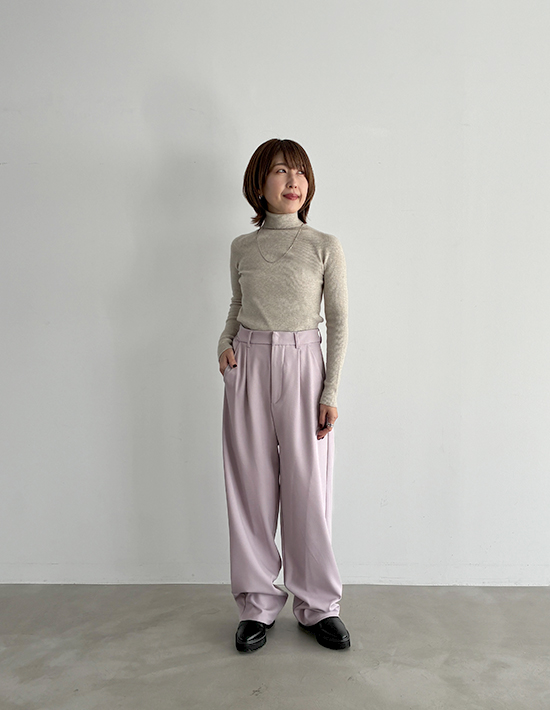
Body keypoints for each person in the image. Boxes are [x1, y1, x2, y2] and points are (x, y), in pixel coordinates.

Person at [217, 138, 350, 653]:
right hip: (248, 365)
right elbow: (237, 304)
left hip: (303, 366)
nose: (293, 181)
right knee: (250, 489)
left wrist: (330, 388)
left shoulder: (323, 245)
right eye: (280, 171)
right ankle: (256, 604)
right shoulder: (241, 247)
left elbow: (338, 321)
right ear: (259, 183)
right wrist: (224, 342)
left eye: (301, 172)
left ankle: (318, 605)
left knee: (308, 489)